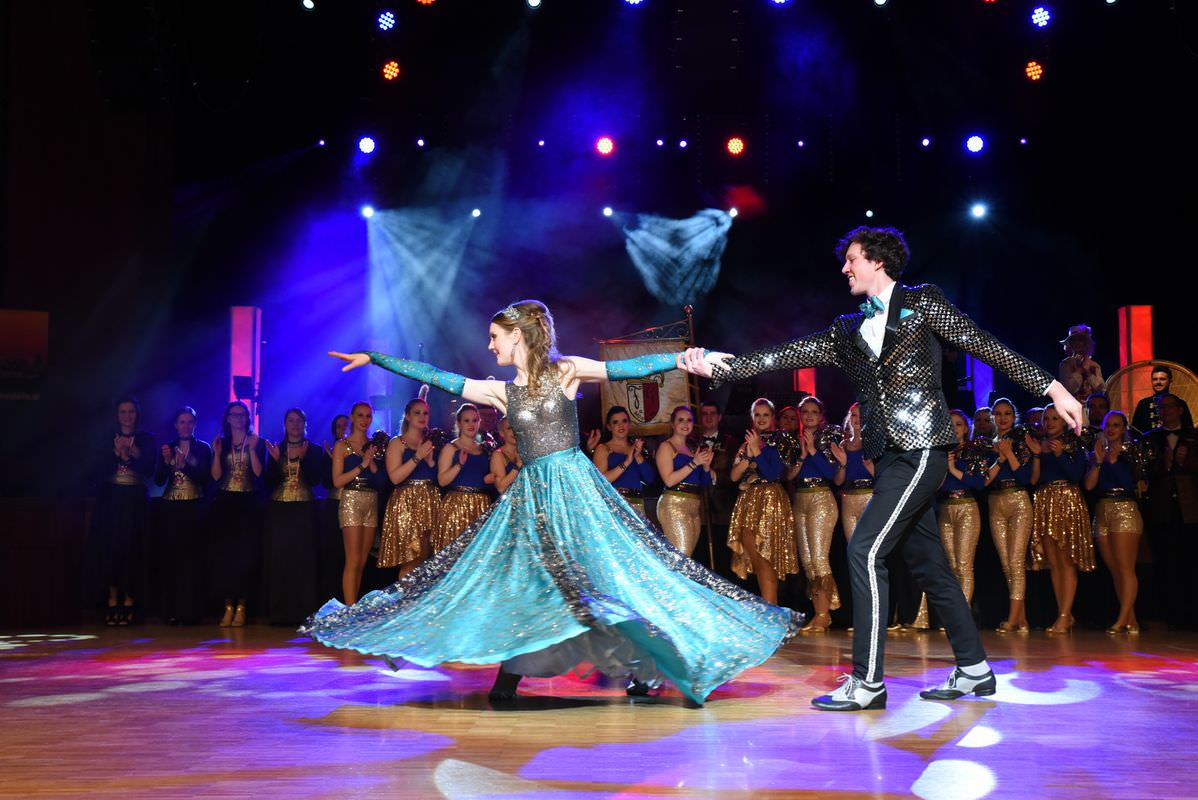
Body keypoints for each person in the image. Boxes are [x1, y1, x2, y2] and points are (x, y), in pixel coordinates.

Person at [307, 299, 801, 705]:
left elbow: (627, 369)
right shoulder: (500, 392)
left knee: (604, 581)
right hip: (531, 498)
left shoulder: (566, 371)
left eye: (495, 337)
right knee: (524, 583)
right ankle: (511, 672)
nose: (489, 345)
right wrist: (376, 358)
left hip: (576, 492)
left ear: (517, 336)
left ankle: (647, 667)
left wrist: (682, 359)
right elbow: (437, 376)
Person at [681, 225, 1084, 711]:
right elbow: (785, 353)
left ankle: (867, 681)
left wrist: (1053, 389)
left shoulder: (923, 302)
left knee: (865, 550)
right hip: (888, 457)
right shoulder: (845, 330)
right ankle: (975, 669)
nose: (844, 268)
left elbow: (985, 344)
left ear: (877, 261)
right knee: (930, 565)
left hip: (923, 449)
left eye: (851, 259)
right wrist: (720, 366)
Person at [1028, 405, 1093, 634]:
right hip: (1045, 500)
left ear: (1064, 421)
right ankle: (1063, 613)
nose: (1050, 422)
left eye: (1055, 418)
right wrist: (1038, 455)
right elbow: (1034, 480)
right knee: (1054, 563)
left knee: (1066, 562)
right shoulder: (1039, 444)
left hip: (1066, 499)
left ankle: (1065, 614)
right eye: (1047, 418)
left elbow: (1076, 476)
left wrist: (1060, 454)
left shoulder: (1073, 443)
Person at [728, 398, 799, 606]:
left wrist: (756, 451)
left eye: (765, 414)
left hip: (771, 500)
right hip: (748, 502)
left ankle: (771, 611)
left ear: (773, 418)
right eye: (757, 415)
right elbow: (733, 476)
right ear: (752, 417)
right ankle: (771, 609)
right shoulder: (747, 442)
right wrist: (748, 456)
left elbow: (772, 474)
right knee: (757, 560)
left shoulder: (780, 439)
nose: (761, 419)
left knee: (766, 558)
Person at [93, 396, 155, 625]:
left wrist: (133, 454)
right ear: (117, 415)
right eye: (123, 412)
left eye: (131, 411)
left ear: (137, 414)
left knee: (131, 550)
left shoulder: (146, 439)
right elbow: (98, 471)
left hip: (135, 502)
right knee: (111, 550)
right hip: (112, 501)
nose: (127, 416)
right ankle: (111, 600)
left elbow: (149, 471)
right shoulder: (107, 438)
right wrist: (116, 454)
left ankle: (129, 600)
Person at [263, 408, 328, 625]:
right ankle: (280, 614)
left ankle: (304, 613)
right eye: (291, 421)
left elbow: (315, 480)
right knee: (280, 560)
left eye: (299, 421)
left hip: (304, 509)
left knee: (304, 561)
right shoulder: (276, 448)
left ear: (305, 424)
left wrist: (303, 459)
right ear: (285, 424)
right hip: (279, 509)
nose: (295, 424)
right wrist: (276, 461)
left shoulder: (314, 449)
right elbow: (268, 482)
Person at [1084, 410, 1145, 634]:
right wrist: (1099, 462)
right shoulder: (1097, 452)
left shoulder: (1131, 453)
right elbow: (1089, 485)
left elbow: (1130, 483)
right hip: (1102, 510)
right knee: (1115, 570)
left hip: (1124, 509)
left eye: (1116, 425)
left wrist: (1114, 459)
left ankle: (1122, 619)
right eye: (1108, 424)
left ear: (1124, 429)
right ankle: (1131, 619)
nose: (1111, 429)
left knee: (1126, 568)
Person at [1142, 393, 1198, 630]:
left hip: (1190, 509)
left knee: (1192, 562)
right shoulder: (1149, 438)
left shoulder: (1194, 436)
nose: (1165, 411)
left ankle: (1193, 615)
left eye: (1169, 407)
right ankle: (1172, 615)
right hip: (1162, 509)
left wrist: (1186, 462)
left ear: (1180, 410)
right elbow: (1143, 471)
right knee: (1166, 562)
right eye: (1161, 408)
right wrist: (1162, 463)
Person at [789, 395, 843, 632]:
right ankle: (820, 612)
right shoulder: (793, 440)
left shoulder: (829, 436)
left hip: (821, 498)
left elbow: (831, 474)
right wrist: (802, 455)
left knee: (820, 558)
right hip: (800, 499)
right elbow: (788, 476)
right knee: (808, 561)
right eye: (805, 412)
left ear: (821, 416)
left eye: (814, 411)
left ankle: (823, 614)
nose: (809, 416)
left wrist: (812, 450)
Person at [209, 400, 266, 627]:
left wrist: (251, 450)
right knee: (226, 557)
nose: (239, 418)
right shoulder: (222, 442)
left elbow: (259, 473)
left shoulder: (256, 441)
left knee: (245, 557)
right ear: (228, 418)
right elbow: (215, 476)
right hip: (225, 502)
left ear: (247, 418)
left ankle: (242, 607)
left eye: (242, 414)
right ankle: (227, 607)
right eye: (234, 414)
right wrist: (216, 454)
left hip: (248, 502)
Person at [155, 407, 211, 625]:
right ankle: (171, 611)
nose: (186, 426)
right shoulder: (167, 447)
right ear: (175, 425)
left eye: (190, 422)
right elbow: (159, 480)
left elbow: (204, 479)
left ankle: (190, 612)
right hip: (170, 508)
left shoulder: (203, 448)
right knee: (171, 559)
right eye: (182, 422)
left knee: (191, 560)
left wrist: (184, 465)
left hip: (194, 507)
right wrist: (166, 462)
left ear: (195, 424)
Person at [986, 398, 1034, 633]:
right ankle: (1021, 618)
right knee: (1007, 564)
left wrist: (1009, 454)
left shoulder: (1021, 441)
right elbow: (984, 480)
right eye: (998, 414)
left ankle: (1013, 618)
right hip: (996, 502)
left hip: (1018, 499)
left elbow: (1025, 478)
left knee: (1016, 562)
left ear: (1014, 417)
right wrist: (1000, 457)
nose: (1002, 418)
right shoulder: (987, 445)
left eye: (1007, 413)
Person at [379, 397, 440, 577]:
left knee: (426, 560)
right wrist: (417, 457)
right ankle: (405, 595)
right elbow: (395, 477)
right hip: (406, 503)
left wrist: (430, 461)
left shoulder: (431, 443)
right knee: (410, 560)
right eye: (417, 413)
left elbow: (438, 478)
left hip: (430, 500)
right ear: (407, 416)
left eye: (425, 413)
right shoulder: (397, 443)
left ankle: (419, 595)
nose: (422, 416)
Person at [331, 402, 383, 604]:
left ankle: (352, 608)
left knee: (362, 561)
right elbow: (337, 481)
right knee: (352, 560)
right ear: (352, 418)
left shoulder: (373, 445)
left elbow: (379, 478)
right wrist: (362, 465)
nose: (364, 420)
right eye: (360, 415)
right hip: (351, 499)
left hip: (371, 500)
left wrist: (371, 460)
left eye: (368, 416)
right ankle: (349, 610)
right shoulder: (342, 445)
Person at [938, 410, 987, 607]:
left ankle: (963, 614)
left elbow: (979, 483)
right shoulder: (940, 453)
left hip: (966, 507)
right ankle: (954, 613)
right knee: (950, 566)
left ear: (966, 428)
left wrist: (953, 469)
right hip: (944, 508)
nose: (954, 428)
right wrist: (943, 467)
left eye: (958, 424)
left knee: (964, 565)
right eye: (950, 424)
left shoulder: (973, 450)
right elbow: (935, 486)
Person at [432, 404, 493, 553]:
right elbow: (442, 481)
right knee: (453, 557)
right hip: (456, 506)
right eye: (467, 421)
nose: (471, 424)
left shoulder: (484, 449)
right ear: (459, 423)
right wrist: (459, 465)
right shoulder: (451, 448)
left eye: (475, 420)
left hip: (481, 507)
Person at [654, 405, 712, 557]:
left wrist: (706, 466)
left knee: (686, 558)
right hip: (674, 504)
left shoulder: (693, 450)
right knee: (681, 556)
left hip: (694, 506)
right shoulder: (666, 447)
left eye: (689, 420)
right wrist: (694, 463)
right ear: (673, 424)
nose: (686, 423)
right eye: (681, 420)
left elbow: (704, 484)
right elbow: (669, 480)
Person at [595, 405, 656, 518]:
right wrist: (626, 462)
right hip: (614, 504)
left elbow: (650, 479)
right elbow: (601, 480)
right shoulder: (603, 448)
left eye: (624, 421)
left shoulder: (636, 448)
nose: (621, 425)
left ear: (629, 424)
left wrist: (637, 456)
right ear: (609, 427)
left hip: (637, 505)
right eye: (615, 422)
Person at [1131, 365, 1193, 434]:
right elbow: (1135, 431)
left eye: (1162, 379)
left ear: (1170, 381)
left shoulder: (1180, 403)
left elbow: (1189, 430)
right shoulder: (1143, 404)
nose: (1158, 382)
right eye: (1155, 379)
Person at [1058, 324, 1105, 403]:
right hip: (1072, 406)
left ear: (1086, 343)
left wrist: (1088, 372)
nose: (1077, 343)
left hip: (1091, 408)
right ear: (1071, 344)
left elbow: (1101, 390)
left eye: (1080, 340)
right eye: (1074, 340)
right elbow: (1069, 389)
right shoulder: (1066, 364)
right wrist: (1079, 370)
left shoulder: (1094, 366)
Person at [489, 415, 522, 494]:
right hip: (510, 500)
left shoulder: (527, 451)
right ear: (502, 433)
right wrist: (518, 465)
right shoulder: (498, 455)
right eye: (509, 428)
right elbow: (501, 488)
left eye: (516, 427)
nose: (514, 431)